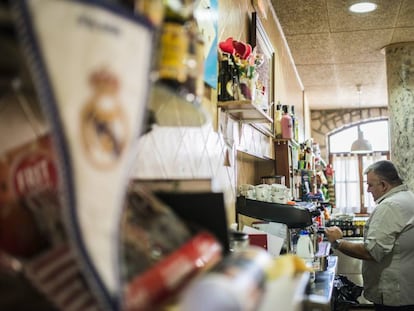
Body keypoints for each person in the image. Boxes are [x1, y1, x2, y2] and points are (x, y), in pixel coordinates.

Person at [325, 160, 414, 311]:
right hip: (406, 288)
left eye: (370, 185)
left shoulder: (390, 206)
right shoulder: (408, 196)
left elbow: (371, 252)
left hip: (394, 294)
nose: (367, 190)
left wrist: (338, 241)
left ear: (384, 185)